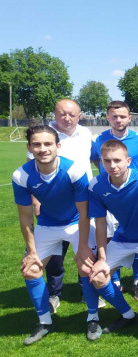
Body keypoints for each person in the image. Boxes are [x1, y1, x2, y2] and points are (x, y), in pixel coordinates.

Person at [13, 125, 97, 344]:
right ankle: (45, 322)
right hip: (47, 224)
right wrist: (32, 252)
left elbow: (84, 213)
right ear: (29, 147)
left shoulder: (74, 170)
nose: (43, 149)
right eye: (37, 144)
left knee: (87, 267)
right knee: (31, 269)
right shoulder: (21, 175)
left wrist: (84, 247)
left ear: (58, 146)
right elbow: (26, 218)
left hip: (76, 223)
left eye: (48, 143)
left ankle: (93, 317)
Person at [88, 140, 138, 338]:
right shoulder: (96, 185)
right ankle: (128, 315)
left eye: (117, 160)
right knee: (98, 277)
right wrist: (101, 258)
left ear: (128, 161)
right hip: (122, 238)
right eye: (107, 161)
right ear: (101, 162)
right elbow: (100, 223)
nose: (112, 165)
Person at [32, 99, 94, 313]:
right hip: (54, 202)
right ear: (54, 114)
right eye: (62, 113)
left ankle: (86, 290)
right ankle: (54, 293)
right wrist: (36, 200)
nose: (67, 118)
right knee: (55, 254)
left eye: (72, 114)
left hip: (84, 199)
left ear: (79, 116)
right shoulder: (44, 135)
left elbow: (94, 159)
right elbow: (32, 169)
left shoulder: (86, 133)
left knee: (85, 247)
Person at [91, 100, 138, 300]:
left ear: (129, 118)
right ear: (108, 118)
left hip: (134, 196)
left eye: (122, 116)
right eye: (114, 116)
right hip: (109, 197)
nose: (118, 120)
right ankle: (115, 279)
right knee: (109, 237)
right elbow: (94, 160)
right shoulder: (98, 139)